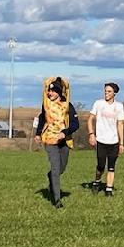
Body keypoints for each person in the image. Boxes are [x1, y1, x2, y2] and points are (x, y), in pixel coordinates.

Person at [32, 76, 78, 208]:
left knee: (61, 168)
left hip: (64, 141)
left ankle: (51, 176)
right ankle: (57, 200)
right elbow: (42, 119)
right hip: (50, 140)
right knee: (56, 168)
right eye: (49, 91)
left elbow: (76, 124)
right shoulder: (46, 105)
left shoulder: (68, 106)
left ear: (59, 92)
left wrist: (65, 132)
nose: (50, 93)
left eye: (53, 91)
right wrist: (38, 134)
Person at [87, 81, 124, 196]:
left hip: (113, 142)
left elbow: (120, 124)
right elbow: (90, 120)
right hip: (101, 141)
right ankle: (97, 181)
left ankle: (109, 189)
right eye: (105, 91)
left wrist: (121, 143)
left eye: (109, 91)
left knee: (111, 167)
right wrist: (91, 134)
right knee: (100, 165)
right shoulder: (98, 104)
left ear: (114, 93)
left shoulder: (119, 106)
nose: (106, 94)